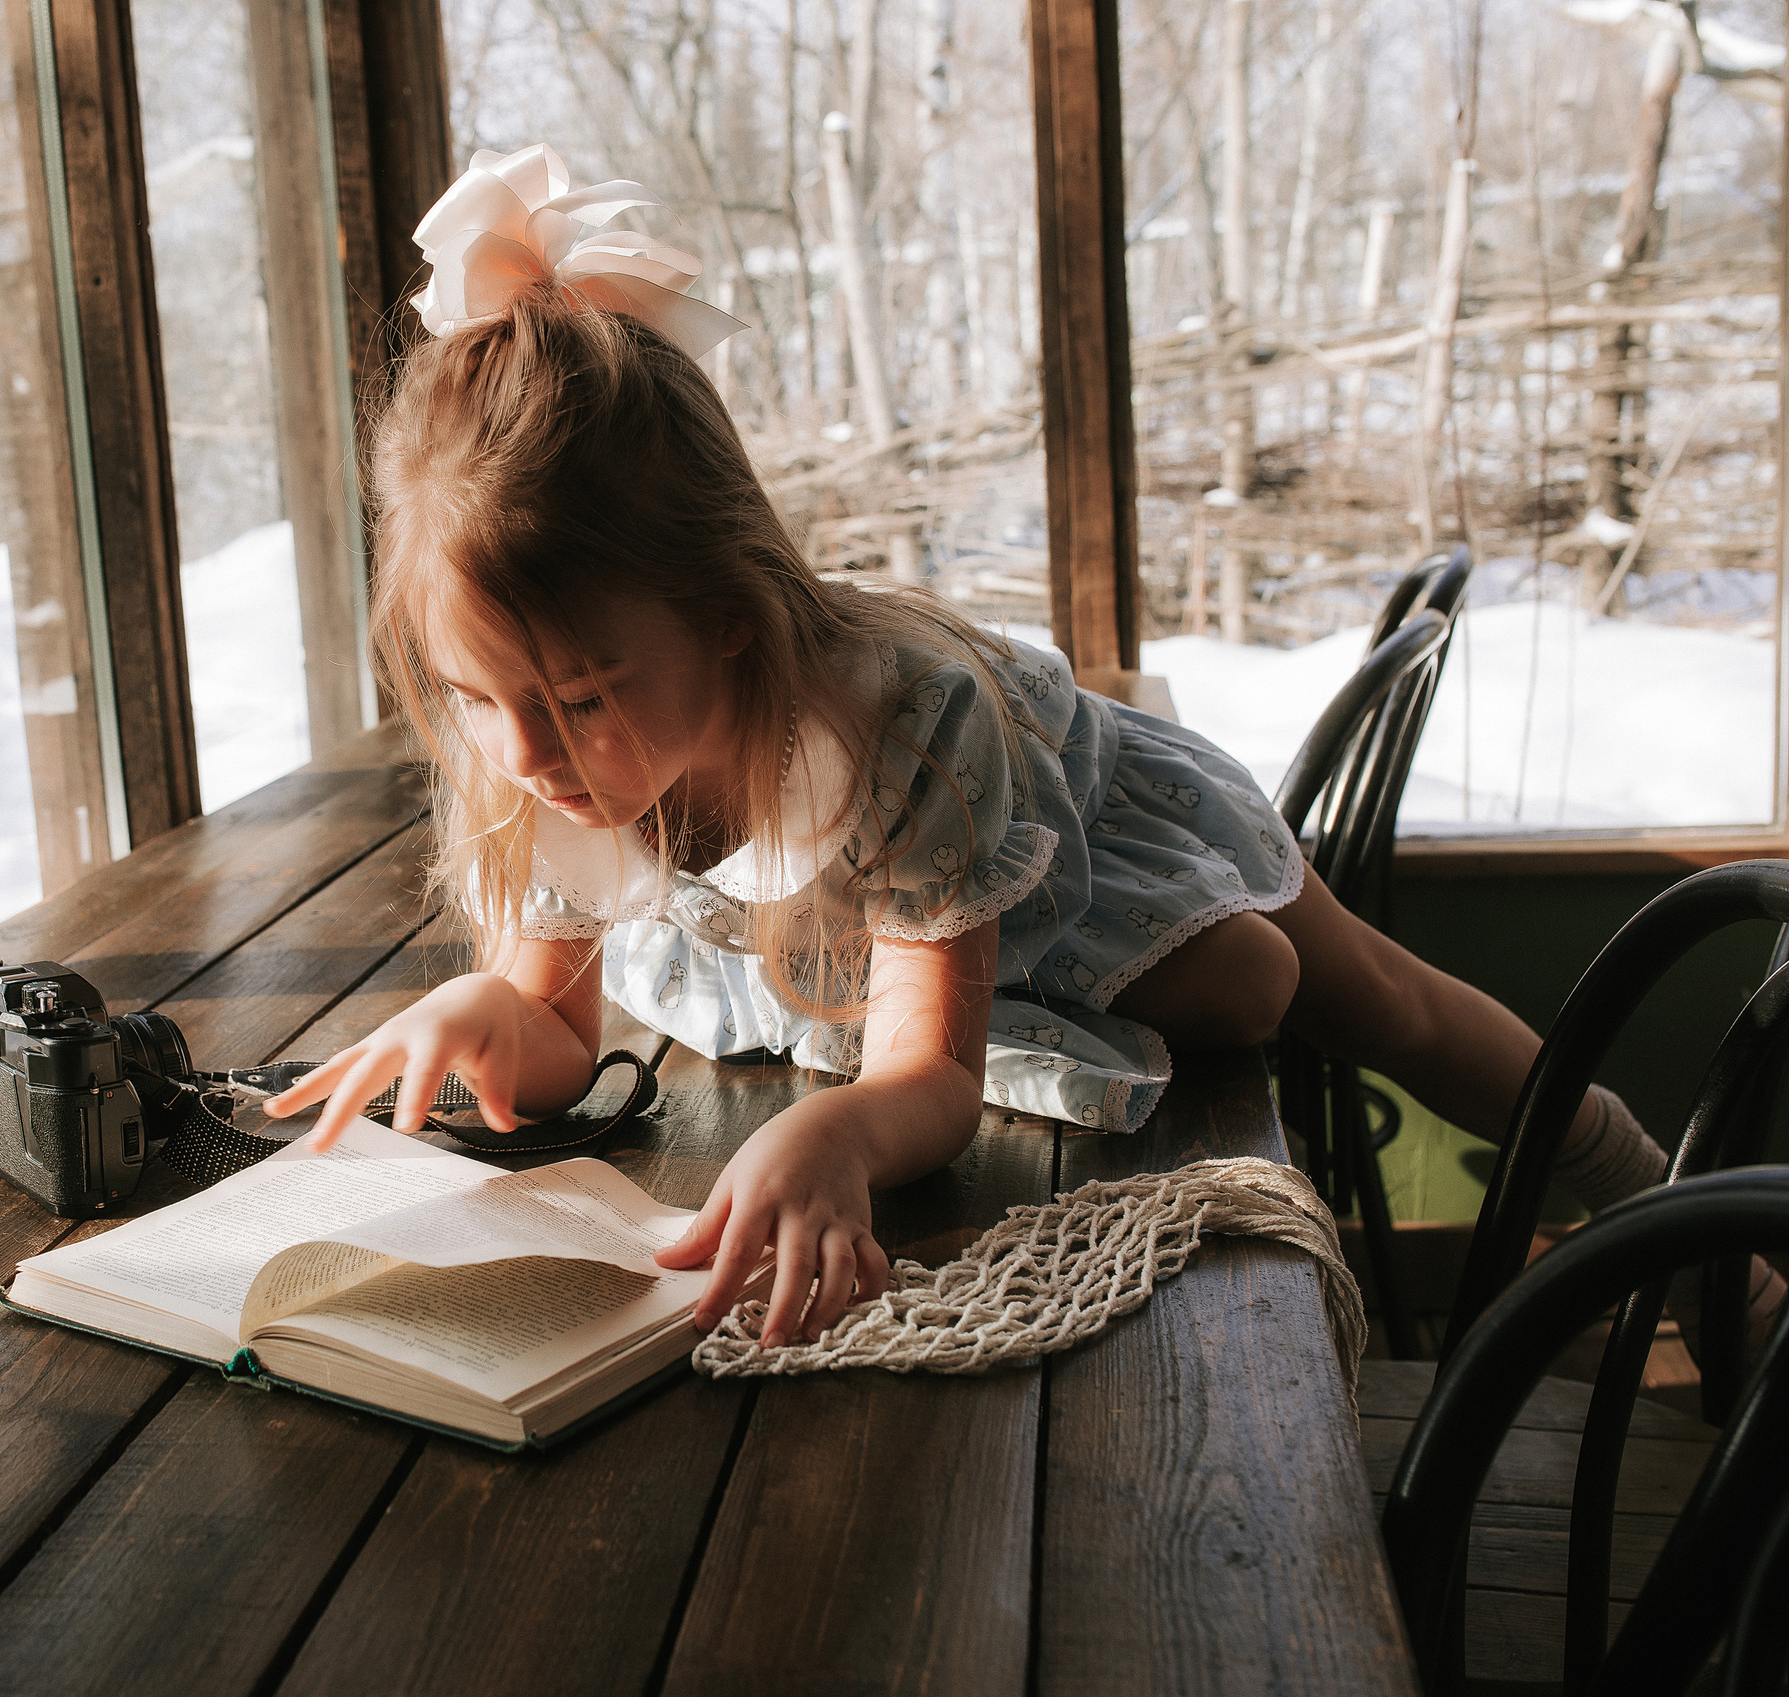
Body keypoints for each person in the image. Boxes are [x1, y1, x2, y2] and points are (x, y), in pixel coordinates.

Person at [262, 145, 1695, 1349]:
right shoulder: (533, 763)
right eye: (474, 696)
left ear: (731, 621)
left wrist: (846, 1131)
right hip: (857, 929)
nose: (529, 752)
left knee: (1346, 990)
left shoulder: (893, 729)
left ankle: (1680, 1227)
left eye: (582, 697)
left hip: (1054, 820)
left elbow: (928, 1084)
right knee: (1242, 990)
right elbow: (562, 1033)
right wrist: (481, 1023)